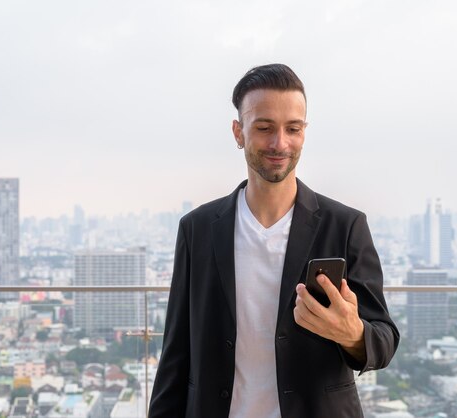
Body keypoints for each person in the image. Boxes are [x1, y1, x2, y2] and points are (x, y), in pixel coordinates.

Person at [148, 64, 400, 418]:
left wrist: (353, 333)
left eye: (293, 129)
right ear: (239, 133)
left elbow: (384, 339)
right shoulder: (198, 229)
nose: (280, 143)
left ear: (304, 132)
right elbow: (176, 353)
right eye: (264, 128)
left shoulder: (345, 225)